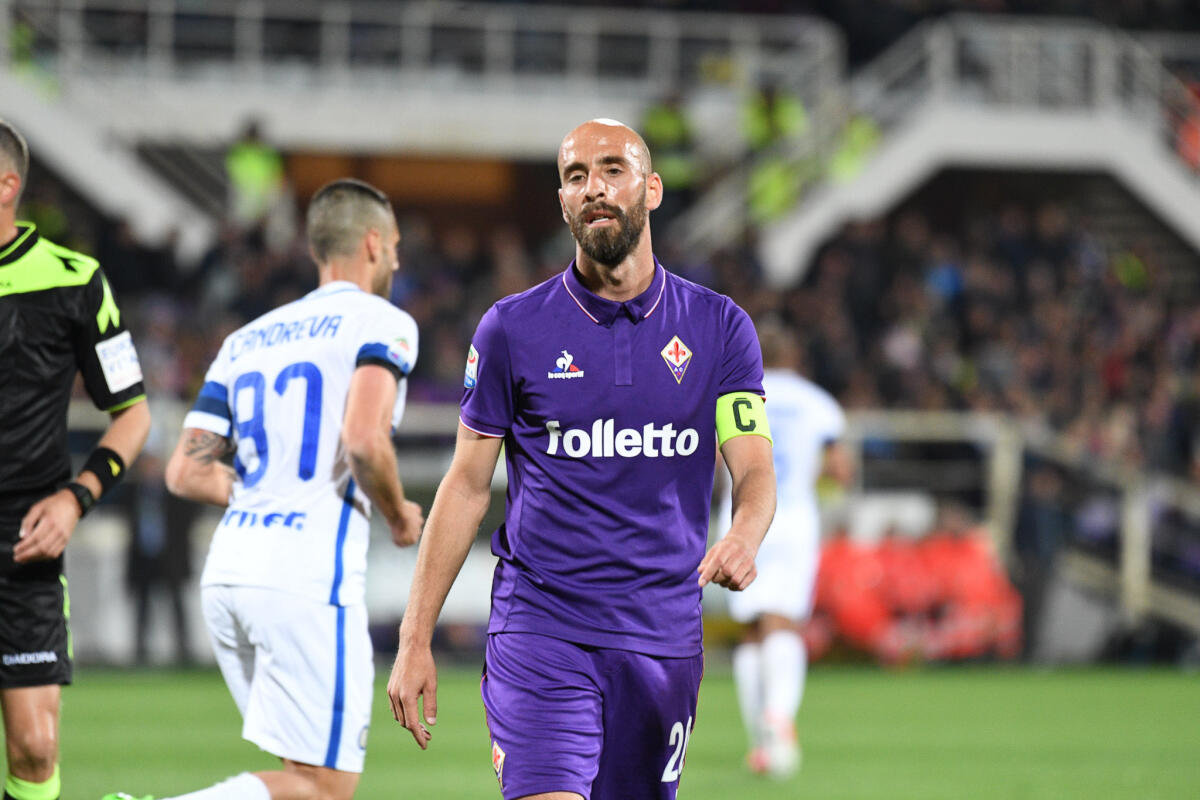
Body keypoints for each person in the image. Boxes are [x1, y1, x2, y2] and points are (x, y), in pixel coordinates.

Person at [387, 118, 777, 800]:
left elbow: (754, 468)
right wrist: (414, 636)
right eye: (575, 176)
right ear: (563, 201)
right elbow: (467, 486)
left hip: (663, 638)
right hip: (541, 628)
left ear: (651, 189)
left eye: (612, 170)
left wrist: (743, 536)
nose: (593, 188)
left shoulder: (718, 328)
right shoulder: (512, 329)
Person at [144, 179, 424, 800]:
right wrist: (401, 514)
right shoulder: (383, 322)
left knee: (296, 780)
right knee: (324, 790)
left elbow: (185, 469)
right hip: (305, 580)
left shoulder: (247, 338)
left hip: (229, 575)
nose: (398, 259)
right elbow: (364, 441)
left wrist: (262, 492)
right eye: (396, 245)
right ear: (375, 243)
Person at [0, 119, 151, 800]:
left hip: (24, 541)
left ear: (7, 185)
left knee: (35, 747)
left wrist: (75, 497)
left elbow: (134, 414)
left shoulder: (75, 279)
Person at [716, 319, 851, 778]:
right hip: (790, 516)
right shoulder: (818, 402)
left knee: (752, 629)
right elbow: (841, 469)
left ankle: (760, 739)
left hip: (740, 519)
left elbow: (715, 460)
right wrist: (815, 487)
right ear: (794, 355)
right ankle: (778, 718)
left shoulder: (734, 395)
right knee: (784, 624)